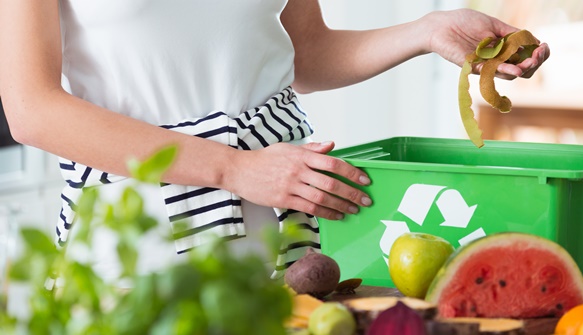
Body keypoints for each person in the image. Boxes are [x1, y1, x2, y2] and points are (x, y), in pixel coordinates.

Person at [0, 1, 549, 280]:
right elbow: (32, 108)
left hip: (285, 222)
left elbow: (304, 53)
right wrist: (232, 169)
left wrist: (427, 31)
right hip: (139, 232)